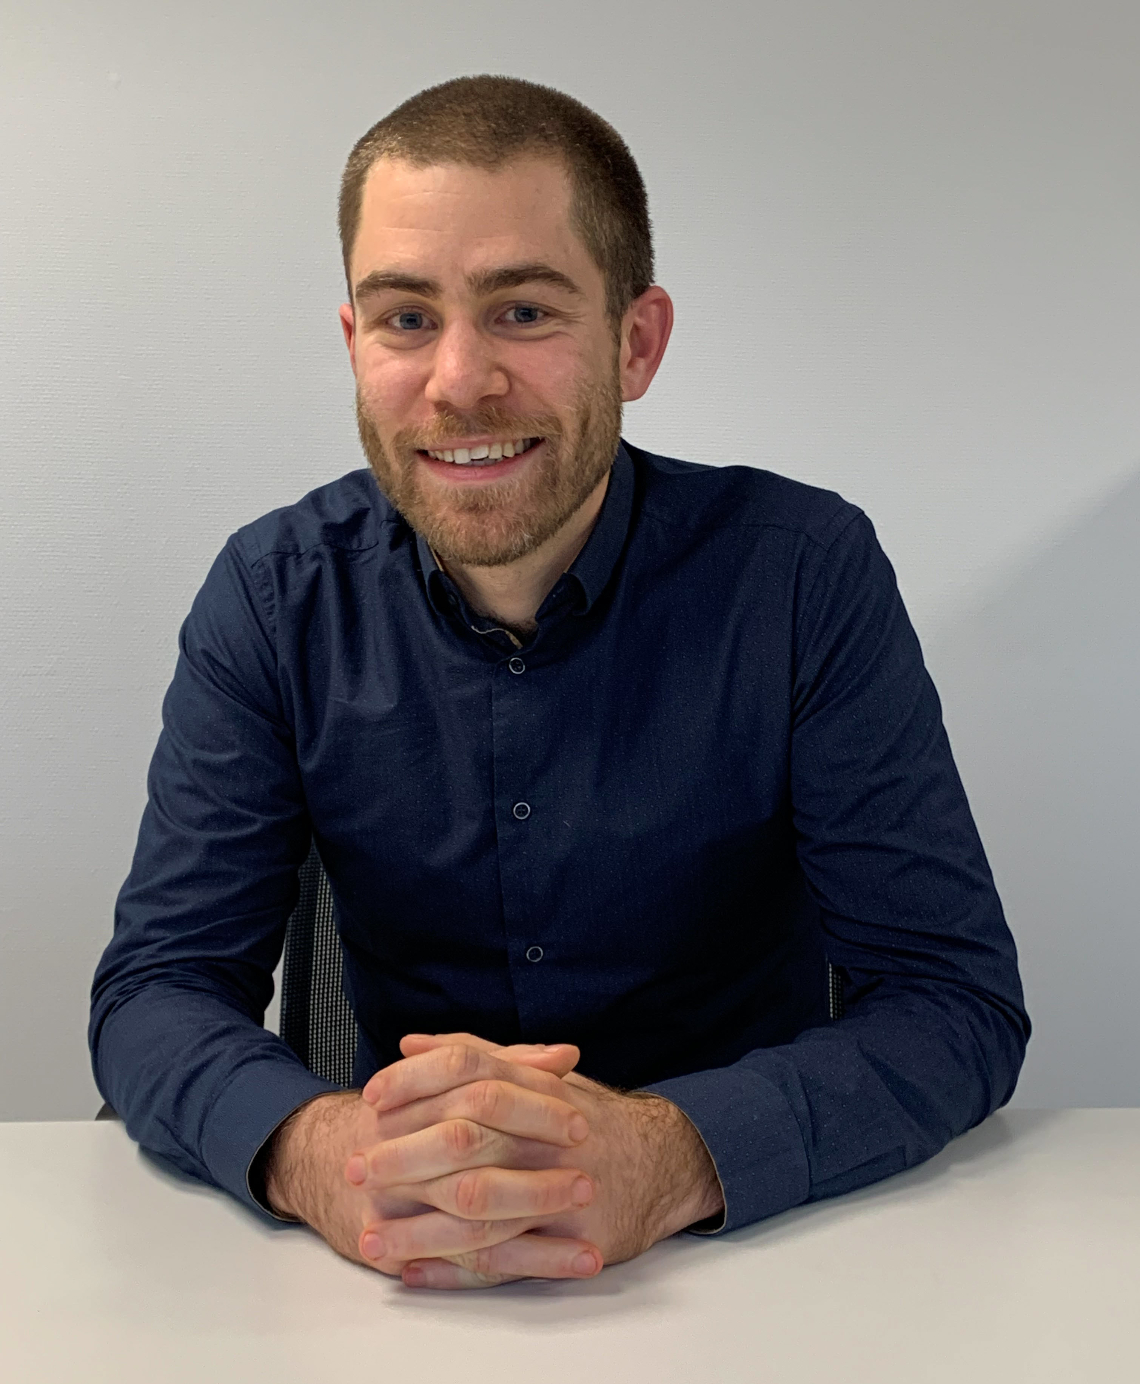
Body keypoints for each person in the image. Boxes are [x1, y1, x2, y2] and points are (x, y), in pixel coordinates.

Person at [90, 75, 1029, 1291]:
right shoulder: (273, 598)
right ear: (355, 343)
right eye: (407, 318)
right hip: (393, 1267)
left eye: (523, 310)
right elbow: (156, 990)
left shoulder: (802, 577)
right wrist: (322, 1154)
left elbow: (952, 1001)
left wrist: (670, 1152)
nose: (459, 380)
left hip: (756, 1266)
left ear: (636, 342)